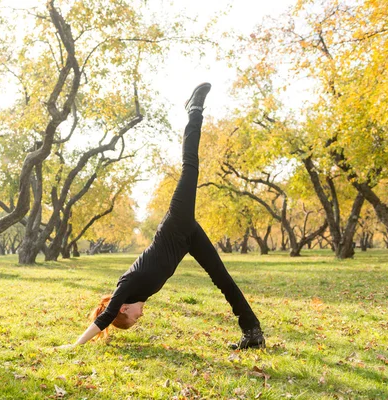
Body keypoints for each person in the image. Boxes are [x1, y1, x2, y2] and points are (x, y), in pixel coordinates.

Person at [59, 83, 265, 350]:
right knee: (222, 278)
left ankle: (194, 110)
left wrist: (73, 346)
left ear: (123, 308)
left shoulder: (127, 284)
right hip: (186, 238)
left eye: (133, 319)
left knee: (190, 167)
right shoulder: (141, 293)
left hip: (175, 224)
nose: (139, 318)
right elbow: (111, 316)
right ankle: (252, 331)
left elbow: (105, 317)